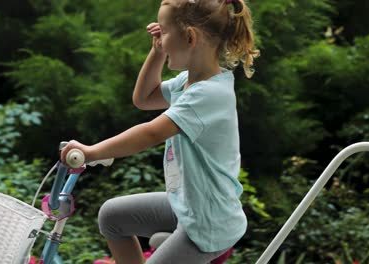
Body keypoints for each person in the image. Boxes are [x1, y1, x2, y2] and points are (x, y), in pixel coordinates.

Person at [60, 0, 260, 263]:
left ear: (190, 37)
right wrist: (157, 53)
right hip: (187, 205)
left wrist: (92, 151)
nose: (160, 39)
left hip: (209, 224)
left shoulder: (210, 94)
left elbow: (151, 133)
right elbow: (144, 98)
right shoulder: (187, 83)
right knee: (112, 217)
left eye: (164, 32)